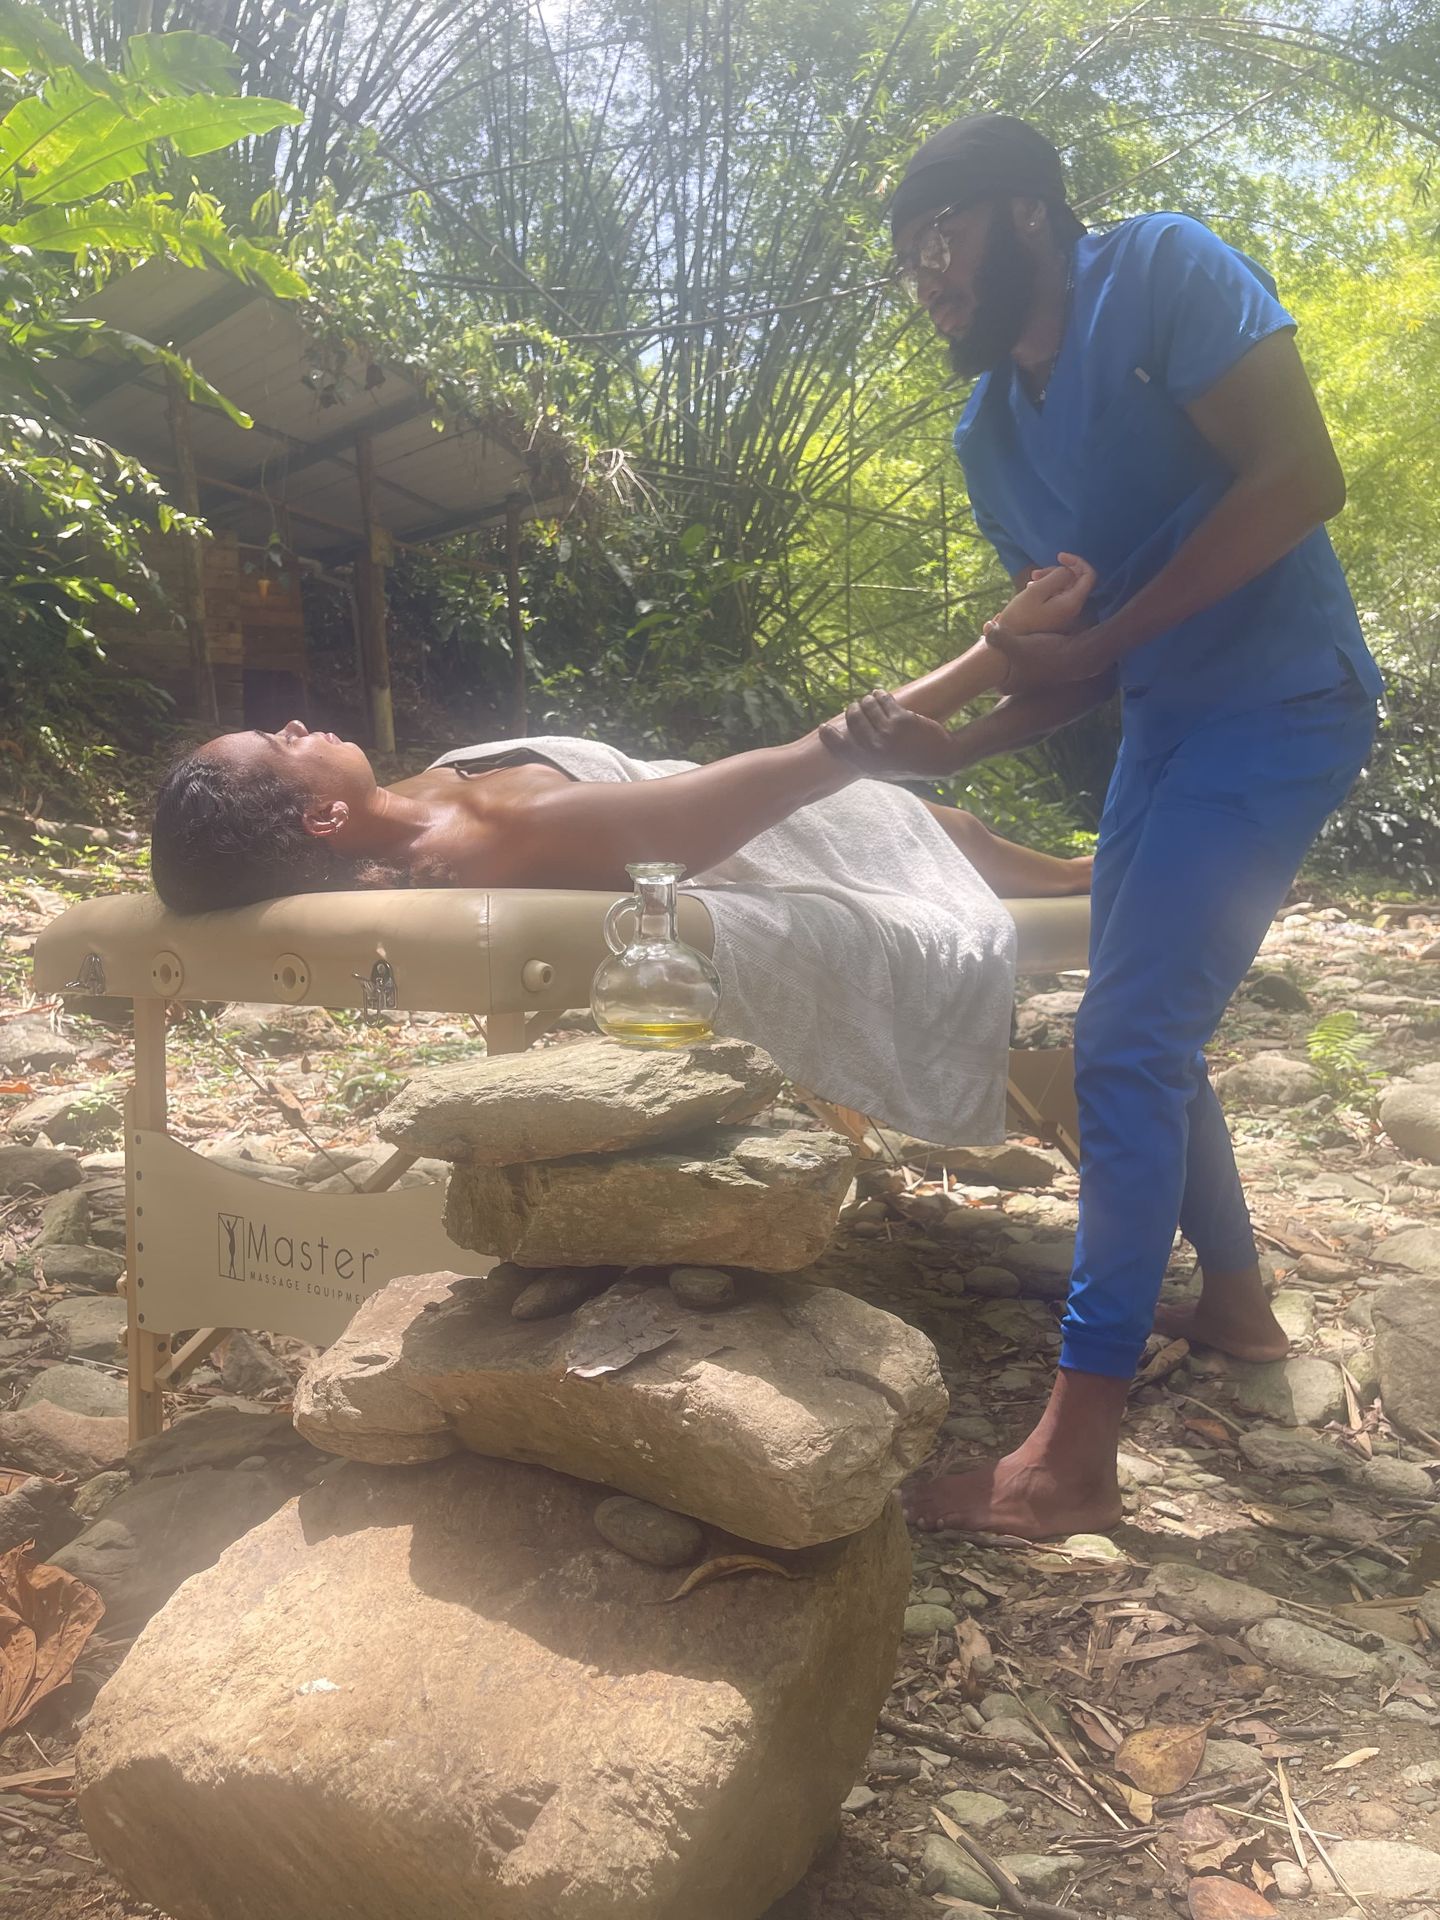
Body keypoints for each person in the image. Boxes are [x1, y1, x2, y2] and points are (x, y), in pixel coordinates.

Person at [821, 113, 1382, 1538]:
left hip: (1284, 703)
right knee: (1143, 1026)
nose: (924, 276)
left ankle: (1071, 1458)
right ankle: (1237, 1303)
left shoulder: (1165, 273)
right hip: (1166, 727)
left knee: (1124, 1041)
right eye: (905, 259)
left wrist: (1104, 642)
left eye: (939, 236)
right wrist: (954, 744)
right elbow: (1075, 661)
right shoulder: (990, 436)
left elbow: (1302, 479)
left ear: (1025, 212)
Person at [150, 559, 1092, 1149]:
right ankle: (1116, 882)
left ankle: (1110, 876)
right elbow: (820, 757)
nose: (296, 724)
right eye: (279, 744)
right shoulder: (501, 841)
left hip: (792, 806)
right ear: (323, 819)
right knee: (993, 853)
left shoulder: (405, 812)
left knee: (985, 843)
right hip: (809, 834)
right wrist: (998, 650)